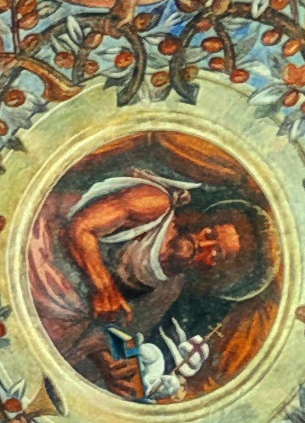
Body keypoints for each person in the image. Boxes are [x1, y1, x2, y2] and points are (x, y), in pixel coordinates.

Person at [49, 171, 272, 401]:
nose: (202, 242)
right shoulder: (155, 204)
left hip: (55, 320)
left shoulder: (168, 291)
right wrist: (104, 286)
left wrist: (106, 363)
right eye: (210, 233)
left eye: (215, 254)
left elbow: (103, 328)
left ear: (215, 274)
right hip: (39, 258)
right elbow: (80, 227)